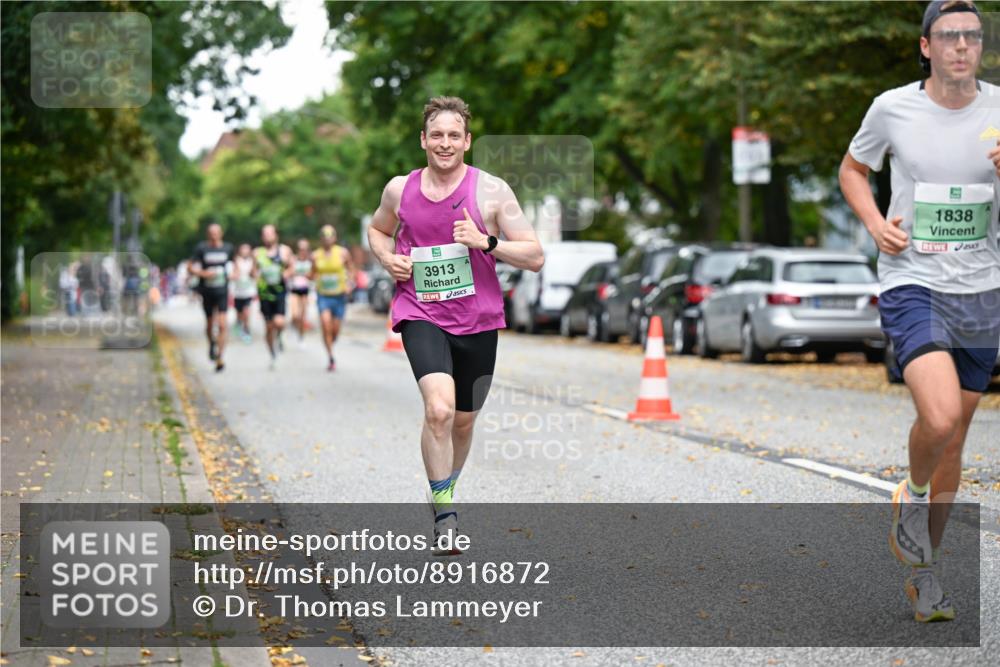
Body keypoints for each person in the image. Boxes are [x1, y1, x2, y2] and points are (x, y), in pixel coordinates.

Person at [839, 0, 1000, 622]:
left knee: (957, 435)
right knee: (936, 419)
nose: (962, 46)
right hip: (915, 280)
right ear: (927, 46)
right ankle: (912, 489)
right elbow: (854, 169)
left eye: (972, 37)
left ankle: (926, 576)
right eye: (949, 37)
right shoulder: (893, 107)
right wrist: (877, 224)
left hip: (984, 289)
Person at [368, 96, 544, 554]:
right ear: (423, 140)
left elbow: (535, 255)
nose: (444, 143)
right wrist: (387, 259)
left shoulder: (491, 191)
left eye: (453, 135)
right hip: (419, 310)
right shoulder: (398, 190)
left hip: (478, 318)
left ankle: (442, 484)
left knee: (463, 422)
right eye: (436, 135)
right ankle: (446, 516)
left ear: (466, 142)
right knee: (439, 410)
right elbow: (378, 230)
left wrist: (487, 242)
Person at [190, 223, 235, 372]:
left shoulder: (228, 248)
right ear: (208, 234)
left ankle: (220, 357)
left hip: (222, 290)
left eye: (217, 232)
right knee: (210, 325)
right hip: (207, 290)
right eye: (211, 233)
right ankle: (211, 344)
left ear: (221, 233)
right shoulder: (202, 248)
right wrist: (204, 274)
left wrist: (233, 275)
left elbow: (236, 267)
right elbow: (190, 267)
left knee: (222, 325)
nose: (214, 235)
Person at [311, 224, 355, 371]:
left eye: (330, 236)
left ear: (335, 238)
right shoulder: (315, 255)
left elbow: (351, 270)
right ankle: (330, 357)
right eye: (324, 236)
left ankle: (331, 341)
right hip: (323, 295)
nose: (327, 239)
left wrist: (350, 284)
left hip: (339, 296)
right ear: (321, 239)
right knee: (325, 324)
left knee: (334, 329)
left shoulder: (343, 253)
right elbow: (312, 273)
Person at [253, 224, 293, 369]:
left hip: (279, 291)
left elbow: (291, 267)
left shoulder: (284, 251)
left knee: (280, 322)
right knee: (269, 327)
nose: (267, 236)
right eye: (265, 234)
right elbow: (254, 271)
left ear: (276, 235)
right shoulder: (257, 253)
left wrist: (285, 273)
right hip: (265, 294)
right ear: (262, 237)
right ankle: (272, 354)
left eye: (270, 233)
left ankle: (280, 336)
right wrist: (257, 278)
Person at [289, 238, 314, 346]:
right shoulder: (293, 260)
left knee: (303, 317)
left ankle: (301, 337)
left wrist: (309, 275)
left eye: (305, 249)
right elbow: (288, 272)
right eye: (300, 249)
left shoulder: (311, 261)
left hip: (306, 290)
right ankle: (295, 327)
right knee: (295, 315)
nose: (302, 251)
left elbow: (314, 275)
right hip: (294, 290)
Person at [232, 243, 256, 343]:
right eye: (243, 249)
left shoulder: (252, 261)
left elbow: (254, 275)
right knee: (239, 313)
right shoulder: (236, 261)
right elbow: (234, 275)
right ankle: (239, 325)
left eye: (247, 249)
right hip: (238, 292)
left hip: (248, 292)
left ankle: (247, 331)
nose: (245, 251)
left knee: (246, 312)